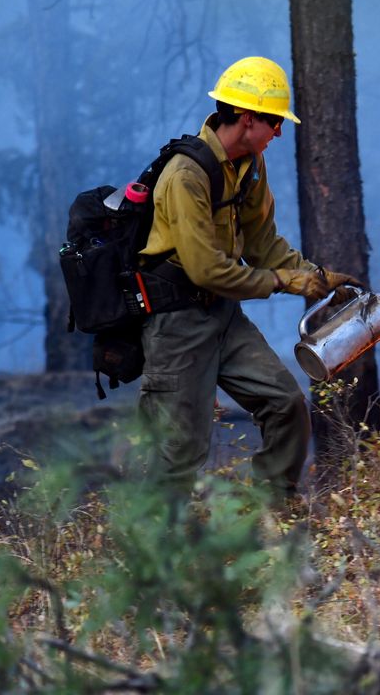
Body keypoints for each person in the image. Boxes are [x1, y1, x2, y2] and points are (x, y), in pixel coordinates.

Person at [137, 56, 359, 499]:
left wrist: (315, 277)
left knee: (286, 404)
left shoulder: (249, 167)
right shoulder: (185, 176)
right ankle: (155, 554)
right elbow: (207, 270)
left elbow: (262, 245)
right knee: (179, 451)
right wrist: (283, 282)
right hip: (176, 322)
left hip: (221, 316)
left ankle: (272, 517)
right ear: (246, 117)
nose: (279, 132)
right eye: (274, 121)